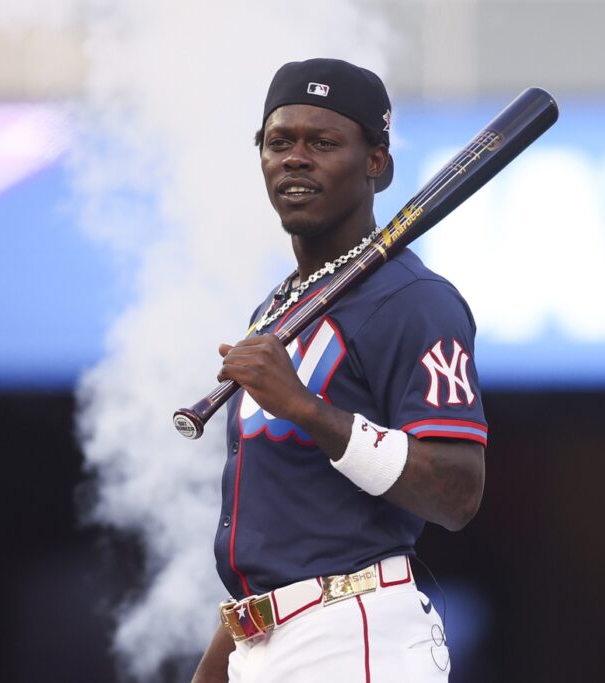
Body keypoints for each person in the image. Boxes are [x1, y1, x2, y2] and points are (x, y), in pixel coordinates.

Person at [191, 58, 487, 682]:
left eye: (323, 143)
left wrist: (304, 407)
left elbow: (457, 492)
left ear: (376, 162)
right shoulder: (275, 307)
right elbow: (276, 538)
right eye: (279, 142)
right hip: (263, 642)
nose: (295, 158)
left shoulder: (416, 300)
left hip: (356, 635)